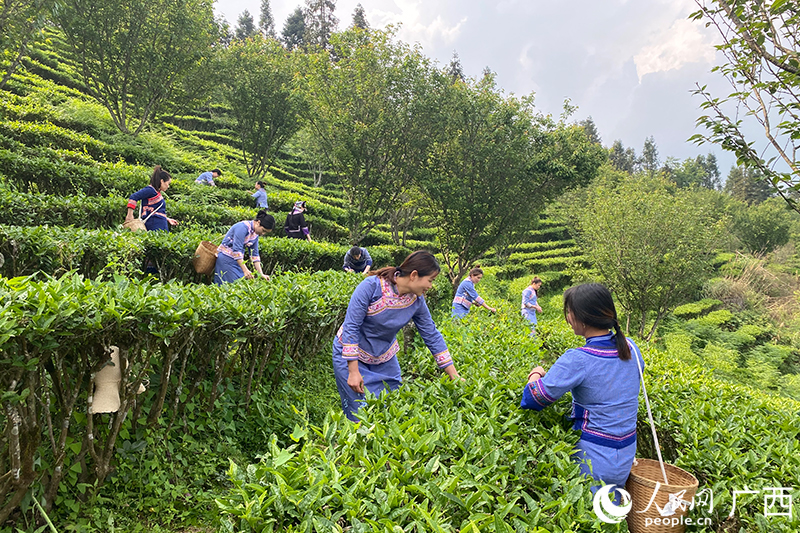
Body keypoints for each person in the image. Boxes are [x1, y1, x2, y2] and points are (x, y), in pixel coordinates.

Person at [520, 283, 644, 491]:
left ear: (582, 317)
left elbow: (533, 398)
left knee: (588, 507)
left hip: (593, 456)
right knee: (612, 506)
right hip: (626, 451)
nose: (568, 318)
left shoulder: (578, 359)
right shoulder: (631, 347)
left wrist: (535, 373)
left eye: (569, 312)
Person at [333, 251, 462, 421]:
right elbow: (351, 327)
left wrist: (454, 376)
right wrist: (353, 371)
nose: (430, 286)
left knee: (391, 407)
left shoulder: (417, 300)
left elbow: (431, 334)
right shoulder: (371, 287)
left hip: (384, 358)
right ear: (414, 275)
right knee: (360, 414)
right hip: (352, 358)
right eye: (430, 280)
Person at [214, 211, 275, 285]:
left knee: (239, 286)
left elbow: (254, 254)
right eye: (263, 230)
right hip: (226, 259)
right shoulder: (242, 227)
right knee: (229, 286)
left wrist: (261, 274)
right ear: (258, 223)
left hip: (238, 262)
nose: (263, 233)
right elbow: (236, 250)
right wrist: (245, 270)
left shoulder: (255, 233)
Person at [125, 165, 178, 232]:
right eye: (168, 183)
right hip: (154, 226)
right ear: (162, 181)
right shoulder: (150, 190)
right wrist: (130, 215)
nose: (168, 186)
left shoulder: (157, 192)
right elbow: (133, 197)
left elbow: (155, 211)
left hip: (160, 226)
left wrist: (167, 219)